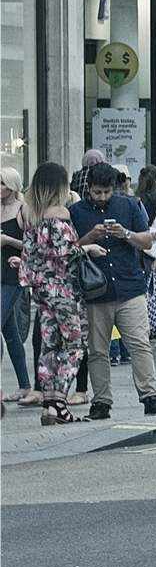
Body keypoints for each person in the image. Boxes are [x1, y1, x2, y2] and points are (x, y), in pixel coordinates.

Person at [68, 161, 156, 417]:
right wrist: (89, 237)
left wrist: (125, 234)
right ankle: (101, 402)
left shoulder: (129, 205)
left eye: (107, 192)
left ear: (114, 188)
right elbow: (68, 248)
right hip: (96, 291)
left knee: (139, 344)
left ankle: (150, 396)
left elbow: (146, 240)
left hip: (129, 286)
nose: (102, 197)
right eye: (97, 192)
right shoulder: (76, 211)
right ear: (88, 188)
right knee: (98, 350)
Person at [20, 163, 104, 425]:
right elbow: (64, 252)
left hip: (42, 292)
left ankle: (49, 403)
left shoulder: (32, 216)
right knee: (76, 346)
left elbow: (30, 257)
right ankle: (59, 402)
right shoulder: (60, 216)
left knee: (50, 346)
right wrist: (88, 248)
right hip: (64, 292)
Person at [0, 167, 32, 405]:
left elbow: (34, 245)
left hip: (13, 275)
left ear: (12, 185)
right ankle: (24, 386)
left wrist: (8, 240)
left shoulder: (23, 210)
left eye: (2, 183)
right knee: (11, 334)